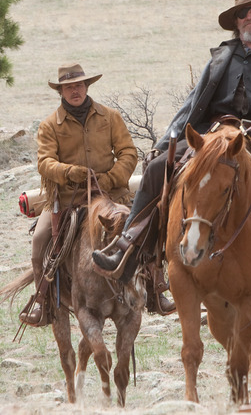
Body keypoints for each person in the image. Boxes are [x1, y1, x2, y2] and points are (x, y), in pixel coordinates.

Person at [93, 0, 251, 309]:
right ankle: (130, 249)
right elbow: (193, 104)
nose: (248, 18)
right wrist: (166, 143)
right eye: (241, 14)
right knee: (154, 170)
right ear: (235, 23)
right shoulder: (222, 56)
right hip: (212, 134)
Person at [20, 62, 174, 327]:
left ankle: (157, 289)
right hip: (68, 198)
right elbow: (44, 162)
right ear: (61, 92)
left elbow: (128, 152)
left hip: (112, 194)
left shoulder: (110, 117)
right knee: (40, 240)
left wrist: (109, 178)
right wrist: (70, 173)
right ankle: (41, 301)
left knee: (146, 228)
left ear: (87, 86)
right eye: (69, 87)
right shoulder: (49, 126)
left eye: (78, 85)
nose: (75, 91)